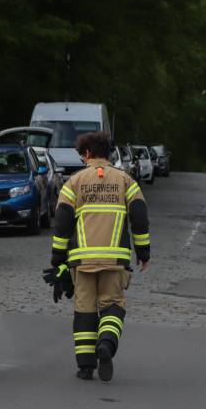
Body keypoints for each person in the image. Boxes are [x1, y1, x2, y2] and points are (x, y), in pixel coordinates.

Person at [49, 131, 150, 382]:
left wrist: (57, 258)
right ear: (108, 153)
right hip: (115, 261)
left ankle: (85, 367)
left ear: (87, 153)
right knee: (113, 305)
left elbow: (61, 222)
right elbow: (139, 217)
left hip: (82, 261)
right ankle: (106, 343)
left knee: (84, 310)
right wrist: (143, 252)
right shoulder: (126, 181)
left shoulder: (74, 182)